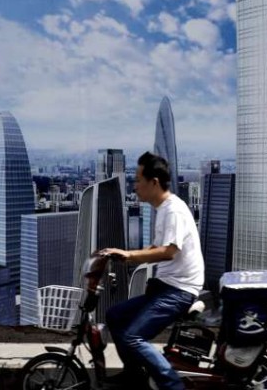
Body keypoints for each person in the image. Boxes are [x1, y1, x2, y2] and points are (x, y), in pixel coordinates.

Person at [99, 152, 204, 390]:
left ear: (153, 182)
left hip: (179, 290)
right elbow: (157, 248)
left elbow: (168, 251)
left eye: (138, 180)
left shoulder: (173, 210)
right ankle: (134, 374)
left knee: (134, 337)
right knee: (115, 315)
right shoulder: (164, 210)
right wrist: (125, 256)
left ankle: (172, 384)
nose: (135, 186)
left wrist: (131, 255)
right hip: (166, 288)